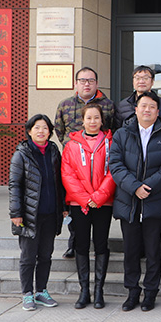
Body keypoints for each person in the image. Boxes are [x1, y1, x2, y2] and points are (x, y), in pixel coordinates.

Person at [110, 91, 161, 312]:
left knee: (152, 250)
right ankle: (132, 291)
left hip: (154, 200)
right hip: (128, 201)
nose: (147, 110)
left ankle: (150, 292)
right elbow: (115, 164)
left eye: (152, 107)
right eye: (143, 106)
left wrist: (146, 187)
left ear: (158, 112)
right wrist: (134, 187)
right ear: (136, 110)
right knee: (130, 250)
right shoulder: (122, 134)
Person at [54, 66, 115, 259]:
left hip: (100, 160)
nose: (86, 84)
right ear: (76, 83)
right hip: (74, 161)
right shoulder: (65, 104)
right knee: (75, 208)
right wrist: (71, 146)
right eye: (82, 80)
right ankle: (74, 244)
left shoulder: (108, 105)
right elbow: (59, 130)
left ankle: (98, 247)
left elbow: (112, 129)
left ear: (96, 83)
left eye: (90, 80)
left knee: (98, 216)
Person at [9, 114, 67, 312]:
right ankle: (27, 293)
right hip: (29, 214)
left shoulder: (53, 151)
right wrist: (16, 212)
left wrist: (64, 206)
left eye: (45, 128)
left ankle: (41, 291)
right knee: (28, 256)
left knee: (45, 255)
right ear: (29, 131)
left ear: (50, 132)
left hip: (51, 213)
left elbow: (60, 181)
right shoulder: (21, 154)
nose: (41, 131)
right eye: (37, 127)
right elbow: (14, 185)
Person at [60, 104, 116, 309]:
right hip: (79, 204)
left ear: (102, 120)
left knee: (101, 245)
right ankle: (84, 291)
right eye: (89, 118)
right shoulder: (71, 145)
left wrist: (98, 197)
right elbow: (67, 175)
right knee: (81, 245)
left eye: (96, 118)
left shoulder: (111, 143)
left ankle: (99, 291)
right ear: (82, 121)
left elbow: (113, 171)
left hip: (103, 203)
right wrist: (85, 198)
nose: (93, 121)